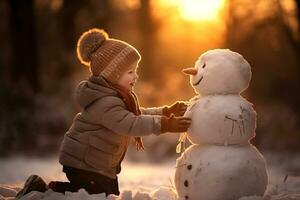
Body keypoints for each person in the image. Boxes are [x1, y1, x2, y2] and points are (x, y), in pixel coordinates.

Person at [16, 28, 191, 198]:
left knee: (107, 194)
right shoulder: (105, 101)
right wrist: (165, 124)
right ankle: (44, 190)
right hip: (83, 163)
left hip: (96, 163)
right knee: (95, 196)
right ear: (112, 75)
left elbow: (136, 114)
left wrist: (165, 111)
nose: (135, 77)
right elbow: (130, 123)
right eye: (130, 72)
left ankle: (54, 188)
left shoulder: (116, 97)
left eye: (135, 71)